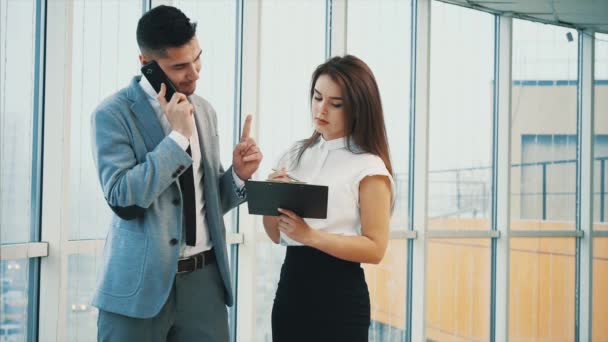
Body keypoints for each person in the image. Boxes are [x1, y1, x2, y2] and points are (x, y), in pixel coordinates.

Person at [90, 5, 262, 341]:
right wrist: (177, 138)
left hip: (205, 284)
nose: (194, 73)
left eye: (197, 58)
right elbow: (124, 199)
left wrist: (238, 176)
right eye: (180, 66)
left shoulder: (206, 111)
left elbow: (207, 204)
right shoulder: (112, 115)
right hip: (139, 289)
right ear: (146, 64)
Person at [263, 55, 394, 341]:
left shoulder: (369, 167)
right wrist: (272, 197)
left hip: (340, 298)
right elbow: (275, 234)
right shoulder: (294, 154)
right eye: (317, 97)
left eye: (336, 104)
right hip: (291, 290)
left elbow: (375, 248)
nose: (321, 109)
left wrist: (310, 235)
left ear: (358, 108)